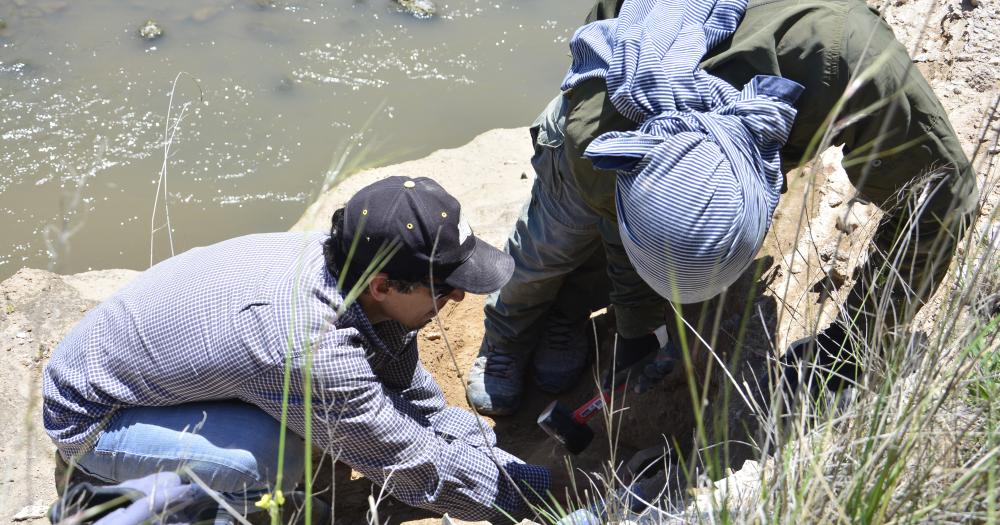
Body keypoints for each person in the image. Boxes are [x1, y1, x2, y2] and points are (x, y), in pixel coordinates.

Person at [466, 0, 978, 416]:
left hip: (800, 62)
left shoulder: (847, 56)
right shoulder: (604, 131)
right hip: (600, 110)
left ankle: (570, 311)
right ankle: (511, 329)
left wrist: (851, 343)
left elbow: (943, 197)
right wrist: (636, 328)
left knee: (619, 261)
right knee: (547, 251)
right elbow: (616, 226)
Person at [42, 176, 550, 522]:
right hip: (96, 415)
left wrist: (500, 459)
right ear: (382, 286)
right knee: (280, 458)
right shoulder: (311, 346)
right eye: (444, 286)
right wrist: (519, 497)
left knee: (315, 423)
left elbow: (412, 397)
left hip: (152, 364)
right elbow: (408, 461)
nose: (458, 297)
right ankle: (124, 495)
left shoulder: (352, 259)